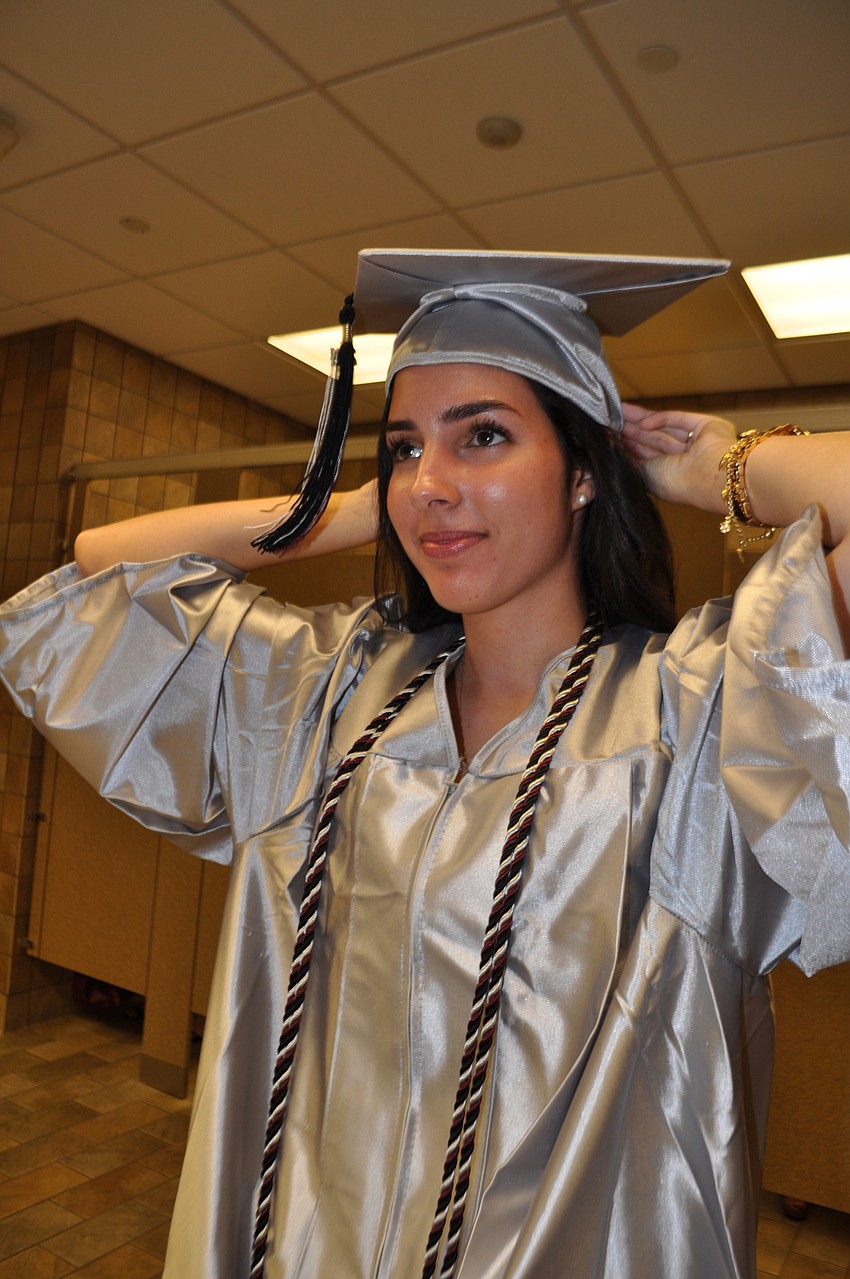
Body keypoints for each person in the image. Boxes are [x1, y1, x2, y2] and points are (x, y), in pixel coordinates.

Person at [1, 249, 849, 1279]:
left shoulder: (697, 714)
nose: (433, 483)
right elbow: (91, 577)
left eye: (483, 435)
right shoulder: (327, 695)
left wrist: (720, 466)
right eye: (406, 448)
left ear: (584, 472)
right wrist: (356, 509)